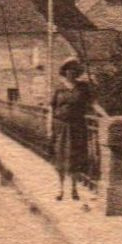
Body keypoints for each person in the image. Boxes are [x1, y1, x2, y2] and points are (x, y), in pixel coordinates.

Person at [50, 58, 101, 202]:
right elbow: (52, 108)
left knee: (75, 159)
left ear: (77, 72)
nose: (71, 72)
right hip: (60, 127)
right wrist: (50, 128)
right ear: (64, 72)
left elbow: (93, 103)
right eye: (68, 70)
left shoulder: (83, 88)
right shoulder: (58, 88)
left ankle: (74, 189)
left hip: (77, 127)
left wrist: (106, 117)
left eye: (74, 70)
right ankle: (60, 189)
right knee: (60, 158)